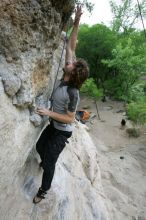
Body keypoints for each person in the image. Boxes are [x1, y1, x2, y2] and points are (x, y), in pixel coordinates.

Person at [33, 5, 89, 204]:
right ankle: (45, 164)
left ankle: (43, 190)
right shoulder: (67, 75)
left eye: (73, 64)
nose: (70, 61)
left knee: (49, 162)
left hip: (62, 131)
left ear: (73, 73)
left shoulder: (73, 93)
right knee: (40, 146)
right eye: (72, 62)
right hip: (53, 125)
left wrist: (48, 112)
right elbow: (71, 46)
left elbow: (70, 118)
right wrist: (76, 22)